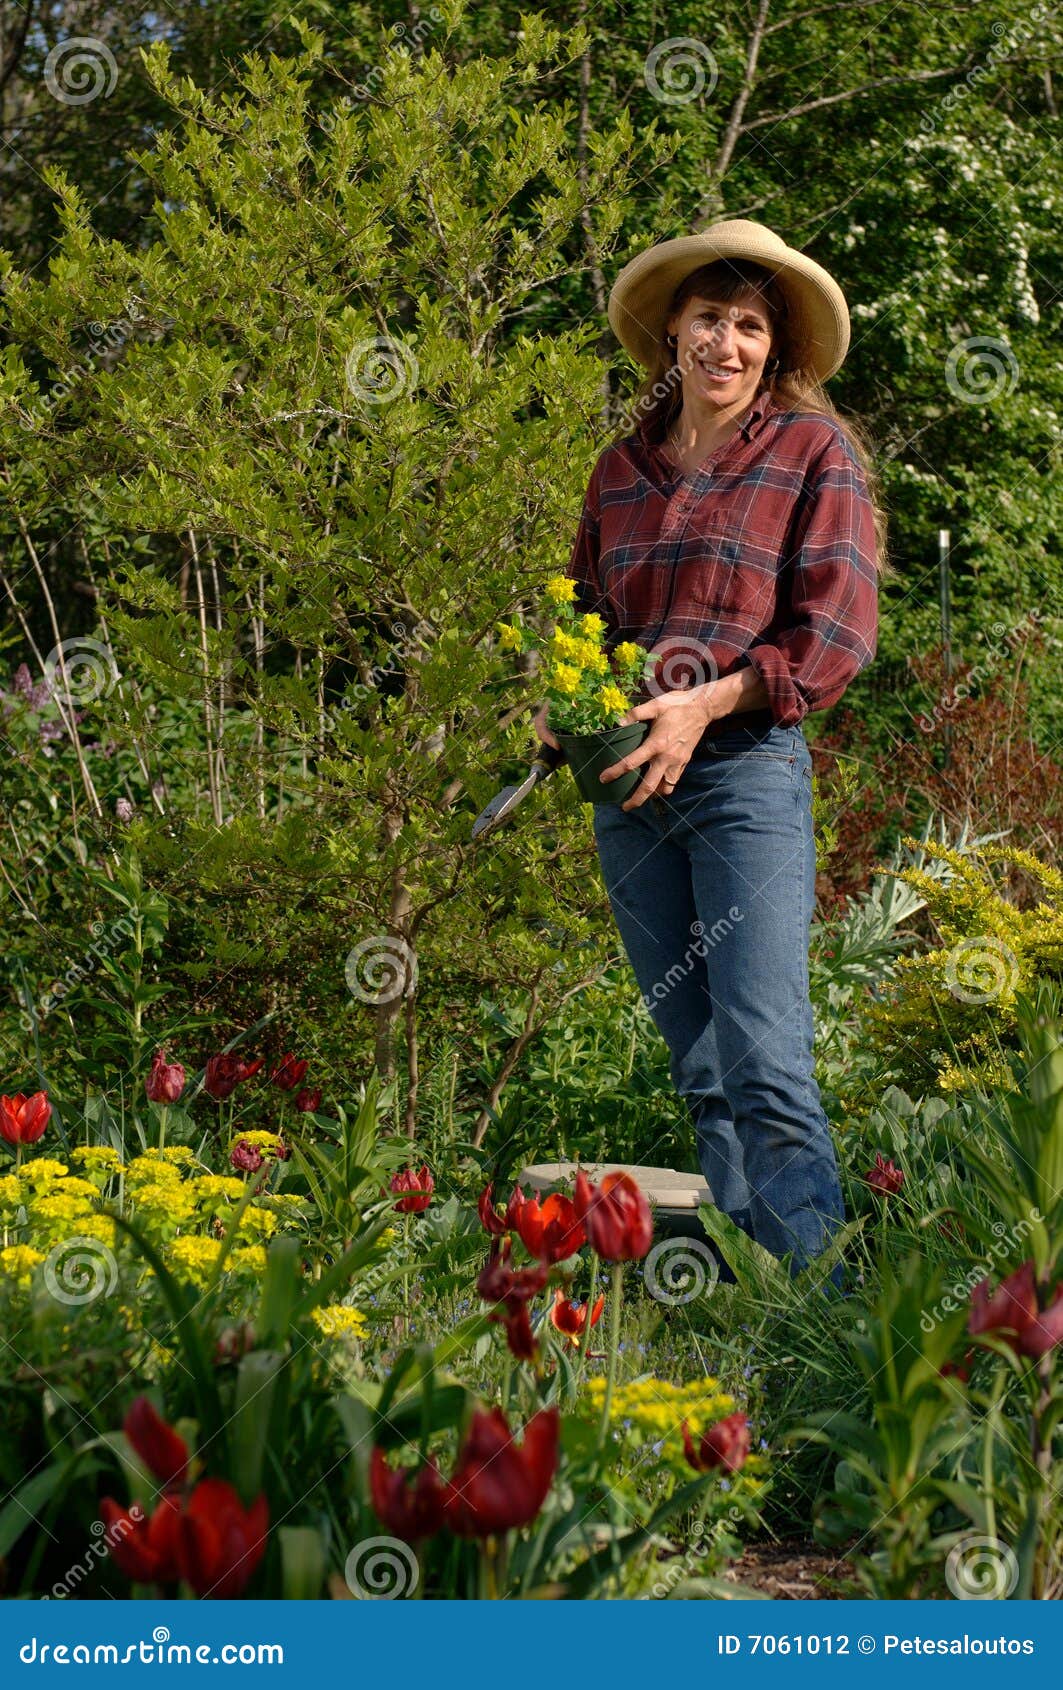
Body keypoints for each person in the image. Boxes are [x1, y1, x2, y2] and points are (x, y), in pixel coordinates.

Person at [534, 219, 889, 1273]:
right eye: (706, 319)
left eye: (745, 325)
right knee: (697, 1065)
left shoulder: (812, 454)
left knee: (765, 1060)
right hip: (632, 787)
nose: (723, 344)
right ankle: (747, 1303)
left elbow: (833, 636)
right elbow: (587, 618)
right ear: (671, 335)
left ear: (772, 348)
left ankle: (819, 1312)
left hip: (743, 780)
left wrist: (705, 704)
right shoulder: (619, 470)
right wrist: (556, 701)